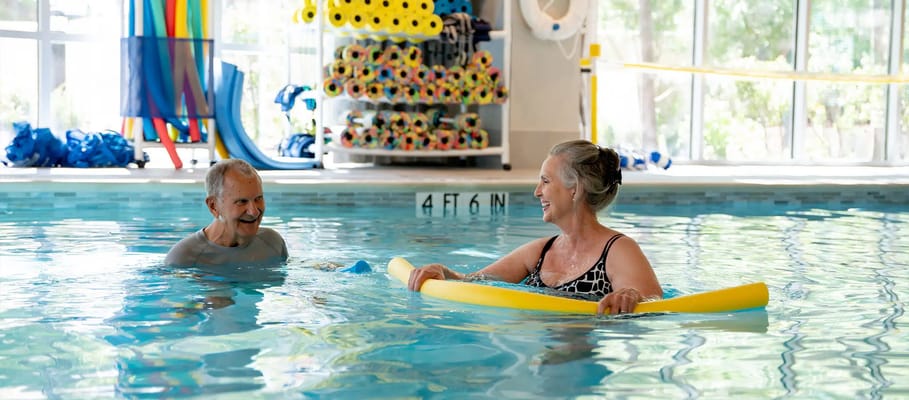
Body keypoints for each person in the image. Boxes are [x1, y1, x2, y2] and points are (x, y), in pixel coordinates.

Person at [408, 140, 662, 315]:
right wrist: (442, 271)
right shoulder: (540, 252)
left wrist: (631, 295)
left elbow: (654, 303)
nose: (537, 191)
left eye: (545, 181)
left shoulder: (618, 250)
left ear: (574, 189)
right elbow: (475, 282)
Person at [165, 158, 288, 267]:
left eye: (258, 199)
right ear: (214, 206)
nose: (254, 212)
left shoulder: (273, 243)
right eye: (242, 201)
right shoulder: (184, 259)